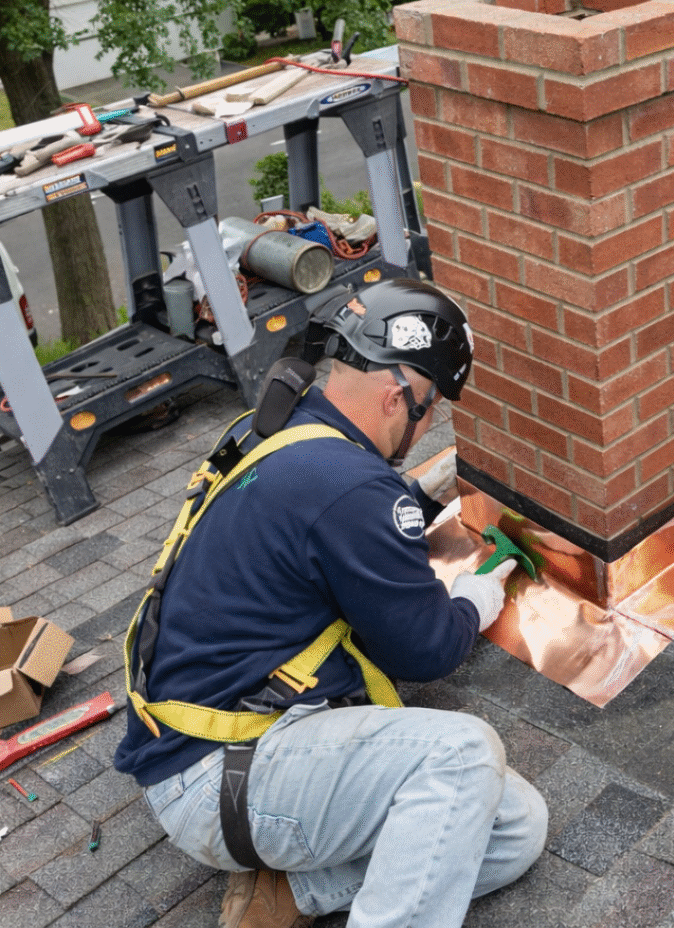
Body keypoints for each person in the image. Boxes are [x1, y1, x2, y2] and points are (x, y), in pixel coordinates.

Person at [115, 278, 548, 928]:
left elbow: (323, 529)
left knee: (515, 827)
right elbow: (425, 650)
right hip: (220, 773)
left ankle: (291, 893)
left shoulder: (277, 426)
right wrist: (475, 600)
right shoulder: (351, 490)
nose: (429, 424)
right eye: (431, 408)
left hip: (205, 740)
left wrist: (416, 493)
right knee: (460, 755)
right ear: (397, 396)